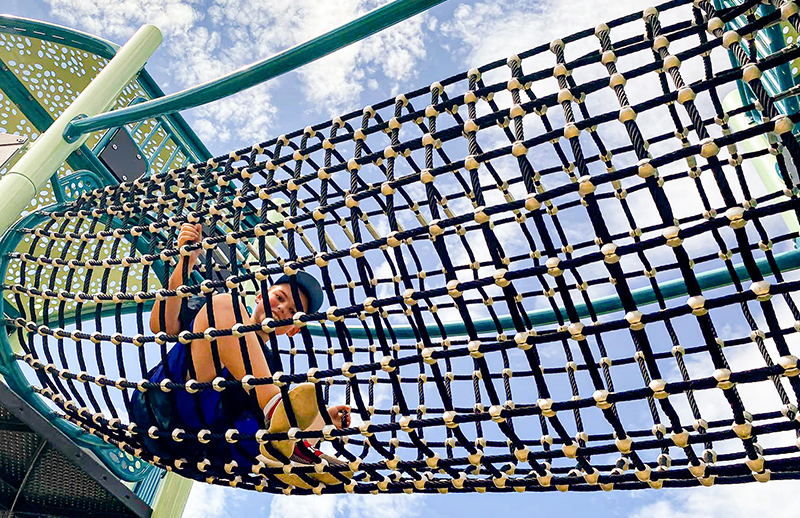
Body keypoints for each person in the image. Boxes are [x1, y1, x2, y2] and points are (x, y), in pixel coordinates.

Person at [131, 223, 350, 477]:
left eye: (293, 312)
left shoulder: (271, 369)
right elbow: (163, 327)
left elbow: (247, 427)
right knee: (225, 305)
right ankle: (281, 421)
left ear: (293, 330)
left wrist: (322, 420)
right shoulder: (216, 308)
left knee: (272, 410)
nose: (282, 309)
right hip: (163, 410)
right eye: (280, 298)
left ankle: (298, 446)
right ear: (260, 296)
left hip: (204, 447)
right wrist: (185, 263)